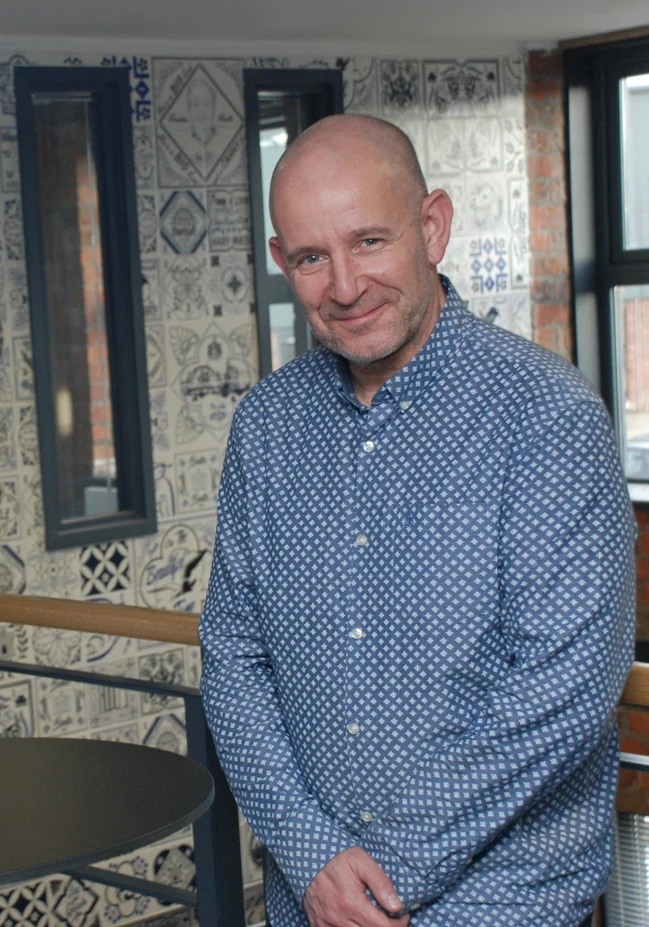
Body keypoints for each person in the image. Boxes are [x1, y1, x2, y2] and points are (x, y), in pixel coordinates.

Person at [200, 114, 635, 927]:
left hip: (503, 905)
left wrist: (378, 873)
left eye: (369, 241)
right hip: (314, 902)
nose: (344, 285)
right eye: (310, 257)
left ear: (432, 226)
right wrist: (312, 854)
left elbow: (563, 685)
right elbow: (232, 658)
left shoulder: (546, 416)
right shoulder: (265, 428)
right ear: (279, 262)